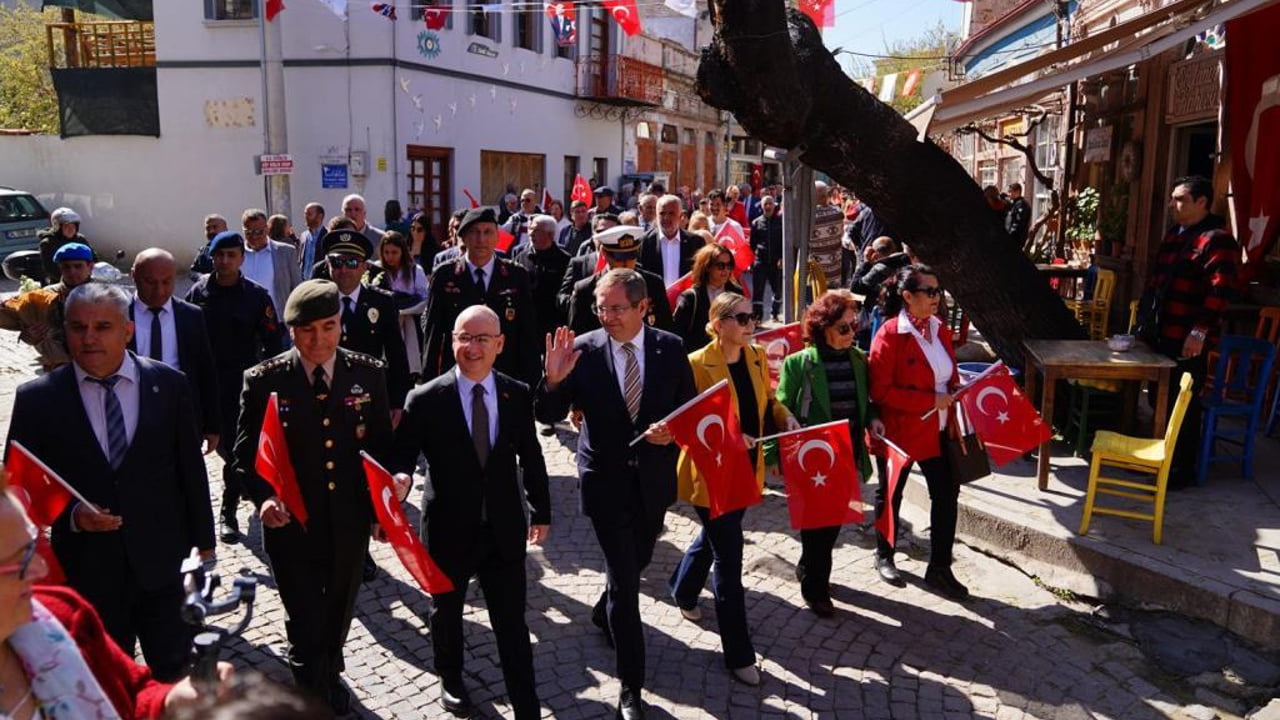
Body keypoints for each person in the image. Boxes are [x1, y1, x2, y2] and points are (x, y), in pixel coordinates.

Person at [5, 282, 215, 681]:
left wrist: (204, 546)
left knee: (177, 679)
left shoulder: (169, 385)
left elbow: (190, 469)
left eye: (102, 327)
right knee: (104, 682)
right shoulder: (38, 399)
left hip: (163, 568)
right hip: (88, 574)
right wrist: (71, 516)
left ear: (127, 330)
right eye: (77, 327)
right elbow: (18, 488)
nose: (88, 338)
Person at [231, 279, 405, 714]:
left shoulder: (368, 373)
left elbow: (381, 448)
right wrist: (263, 499)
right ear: (291, 331)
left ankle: (328, 671)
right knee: (305, 618)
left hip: (347, 523)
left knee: (338, 611)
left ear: (340, 325)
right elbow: (244, 455)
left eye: (329, 326)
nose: (319, 339)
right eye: (308, 330)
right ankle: (313, 689)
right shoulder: (265, 381)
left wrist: (382, 507)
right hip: (292, 524)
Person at [536, 269, 696, 720]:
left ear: (643, 307)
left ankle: (602, 609)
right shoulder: (582, 349)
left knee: (638, 558)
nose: (607, 317)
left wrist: (674, 433)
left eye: (617, 308)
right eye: (601, 308)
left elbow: (690, 408)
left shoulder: (670, 347)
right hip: (604, 481)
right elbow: (545, 411)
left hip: (652, 483)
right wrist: (551, 381)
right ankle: (631, 687)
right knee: (626, 585)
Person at [390, 305, 550, 720]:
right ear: (452, 342)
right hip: (447, 527)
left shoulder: (515, 393)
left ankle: (525, 701)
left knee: (511, 620)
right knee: (446, 611)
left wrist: (542, 510)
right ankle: (451, 676)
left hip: (502, 525)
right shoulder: (425, 398)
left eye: (482, 339)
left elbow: (531, 455)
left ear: (499, 344)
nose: (472, 347)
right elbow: (403, 455)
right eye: (464, 337)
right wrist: (402, 478)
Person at [0, 477, 234, 720]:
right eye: (20, 560)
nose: (40, 569)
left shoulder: (62, 616)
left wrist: (171, 701)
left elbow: (130, 691)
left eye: (32, 547)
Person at [669, 292, 797, 686]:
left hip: (747, 469)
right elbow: (684, 423)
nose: (749, 324)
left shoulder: (756, 356)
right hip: (711, 473)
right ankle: (738, 653)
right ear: (718, 322)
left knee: (713, 539)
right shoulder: (695, 363)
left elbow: (766, 400)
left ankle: (684, 589)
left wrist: (783, 414)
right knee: (729, 553)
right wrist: (728, 437)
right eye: (741, 318)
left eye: (752, 316)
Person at [772, 289, 880, 615]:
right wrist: (775, 455)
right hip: (813, 456)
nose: (851, 333)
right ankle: (816, 589)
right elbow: (779, 405)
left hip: (846, 454)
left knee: (833, 523)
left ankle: (810, 566)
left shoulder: (860, 361)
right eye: (843, 328)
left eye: (853, 326)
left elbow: (869, 403)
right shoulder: (799, 364)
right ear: (823, 328)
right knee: (817, 522)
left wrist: (874, 421)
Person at [868, 264, 968, 600]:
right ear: (908, 297)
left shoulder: (939, 328)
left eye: (939, 291)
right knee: (891, 492)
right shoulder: (890, 334)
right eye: (930, 292)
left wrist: (957, 387)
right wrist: (929, 399)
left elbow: (947, 371)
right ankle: (884, 554)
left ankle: (940, 567)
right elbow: (880, 392)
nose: (937, 298)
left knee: (946, 494)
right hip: (901, 429)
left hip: (939, 427)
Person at [1135, 175, 1240, 488]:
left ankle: (1180, 470)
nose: (1173, 205)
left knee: (1184, 401)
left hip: (1188, 336)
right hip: (1161, 331)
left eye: (1180, 199)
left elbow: (1221, 291)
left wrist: (1200, 332)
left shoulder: (1216, 238)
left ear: (1202, 202)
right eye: (1172, 198)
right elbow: (1156, 281)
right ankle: (1159, 460)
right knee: (1158, 397)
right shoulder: (1174, 235)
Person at [184, 231, 286, 543]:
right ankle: (240, 494)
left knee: (240, 448)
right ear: (211, 258)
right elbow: (187, 343)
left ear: (242, 258)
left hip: (246, 386)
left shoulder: (256, 296)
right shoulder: (197, 294)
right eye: (219, 255)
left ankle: (228, 510)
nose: (225, 261)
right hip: (209, 387)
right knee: (228, 450)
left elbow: (273, 343)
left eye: (231, 255)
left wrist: (274, 383)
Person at [423, 207, 541, 388]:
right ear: (463, 237)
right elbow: (433, 335)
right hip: (457, 376)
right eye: (474, 232)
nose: (481, 239)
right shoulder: (445, 276)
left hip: (505, 377)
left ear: (497, 236)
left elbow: (527, 335)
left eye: (488, 232)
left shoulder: (516, 276)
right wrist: (429, 386)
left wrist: (532, 385)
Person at [129, 248, 221, 455]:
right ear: (133, 276)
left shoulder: (191, 316)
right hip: (131, 418)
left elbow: (206, 371)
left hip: (181, 417)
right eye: (150, 282)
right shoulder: (117, 315)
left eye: (167, 282)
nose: (159, 291)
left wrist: (212, 425)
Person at [325, 230, 411, 417]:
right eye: (337, 263)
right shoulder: (318, 302)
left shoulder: (382, 302)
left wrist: (398, 402)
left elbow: (396, 354)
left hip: (371, 395)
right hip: (327, 396)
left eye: (352, 263)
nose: (344, 269)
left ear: (365, 266)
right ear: (327, 264)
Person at [0, 241, 96, 372]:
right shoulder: (43, 298)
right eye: (66, 267)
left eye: (78, 266)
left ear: (90, 266)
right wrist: (30, 335)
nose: (72, 272)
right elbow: (27, 333)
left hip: (97, 366)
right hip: (59, 370)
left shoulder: (104, 296)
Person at [567, 225, 672, 335]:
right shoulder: (585, 290)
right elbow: (577, 337)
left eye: (631, 257)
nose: (626, 264)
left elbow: (667, 329)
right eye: (619, 258)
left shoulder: (653, 284)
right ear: (604, 253)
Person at [371, 230, 430, 382]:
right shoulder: (376, 270)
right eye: (386, 252)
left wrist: (403, 309)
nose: (390, 257)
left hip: (409, 324)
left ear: (402, 252)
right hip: (384, 322)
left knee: (408, 364)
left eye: (394, 252)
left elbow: (424, 298)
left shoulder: (414, 271)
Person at [672, 244, 745, 352]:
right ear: (707, 267)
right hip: (700, 361)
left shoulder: (737, 293)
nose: (725, 270)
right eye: (720, 265)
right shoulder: (691, 297)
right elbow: (678, 335)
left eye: (729, 265)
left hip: (729, 358)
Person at [512, 214, 571, 342]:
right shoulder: (521, 257)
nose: (531, 234)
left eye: (537, 231)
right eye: (531, 229)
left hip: (553, 325)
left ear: (550, 235)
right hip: (527, 322)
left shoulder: (564, 260)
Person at [240, 208, 302, 320]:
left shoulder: (286, 252)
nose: (254, 236)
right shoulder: (238, 254)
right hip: (246, 323)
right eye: (249, 232)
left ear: (267, 229)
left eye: (259, 232)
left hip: (278, 322)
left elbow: (297, 287)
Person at [640, 195, 703, 288]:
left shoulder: (695, 242)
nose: (666, 218)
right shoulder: (644, 242)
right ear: (656, 215)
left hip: (686, 299)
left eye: (671, 213)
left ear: (681, 216)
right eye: (662, 213)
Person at [749, 194, 783, 321]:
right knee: (758, 292)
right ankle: (757, 317)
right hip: (761, 262)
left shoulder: (781, 222)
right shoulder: (756, 222)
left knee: (778, 290)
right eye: (765, 204)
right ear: (762, 206)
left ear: (774, 205)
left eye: (770, 203)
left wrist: (781, 258)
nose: (768, 206)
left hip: (776, 262)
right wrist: (757, 253)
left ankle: (775, 313)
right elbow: (752, 243)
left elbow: (784, 242)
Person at [37, 207, 89, 284]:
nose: (71, 229)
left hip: (84, 281)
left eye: (73, 226)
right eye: (67, 226)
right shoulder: (48, 243)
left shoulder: (80, 239)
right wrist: (71, 279)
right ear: (57, 227)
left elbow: (93, 259)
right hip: (61, 284)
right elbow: (50, 269)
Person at [191, 214, 228, 278]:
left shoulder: (235, 249)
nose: (211, 231)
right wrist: (202, 277)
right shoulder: (203, 251)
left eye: (215, 227)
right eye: (208, 228)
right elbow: (193, 272)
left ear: (225, 229)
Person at [298, 203, 327, 276]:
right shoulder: (304, 236)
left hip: (319, 279)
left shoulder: (327, 235)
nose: (306, 217)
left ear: (319, 216)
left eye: (309, 214)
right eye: (305, 214)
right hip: (304, 280)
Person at [1004, 182, 1031, 248]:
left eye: (1010, 192)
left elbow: (1018, 222)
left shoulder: (1021, 204)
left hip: (1016, 239)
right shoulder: (1014, 204)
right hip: (1012, 238)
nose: (1009, 194)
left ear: (1017, 192)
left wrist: (1010, 235)